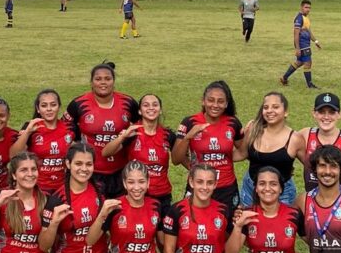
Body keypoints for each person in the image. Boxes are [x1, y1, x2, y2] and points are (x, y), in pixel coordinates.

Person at [64, 62, 140, 199]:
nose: (103, 83)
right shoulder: (78, 104)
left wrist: (124, 142)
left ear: (113, 81)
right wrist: (76, 148)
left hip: (121, 171)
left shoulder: (128, 103)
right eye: (98, 79)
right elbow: (65, 129)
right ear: (91, 82)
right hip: (91, 172)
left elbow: (140, 125)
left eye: (107, 79)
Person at [172, 80, 244, 222]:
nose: (215, 105)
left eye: (220, 101)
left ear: (226, 104)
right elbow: (175, 159)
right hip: (199, 185)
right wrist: (188, 137)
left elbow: (243, 150)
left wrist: (252, 133)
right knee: (194, 225)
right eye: (211, 100)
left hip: (226, 187)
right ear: (203, 101)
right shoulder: (190, 122)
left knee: (226, 228)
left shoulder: (232, 123)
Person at [102, 93, 176, 215]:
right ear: (140, 111)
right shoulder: (132, 133)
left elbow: (179, 158)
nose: (151, 108)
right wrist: (123, 137)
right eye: (146, 105)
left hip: (162, 195)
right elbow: (106, 152)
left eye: (155, 105)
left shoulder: (168, 135)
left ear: (160, 110)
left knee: (162, 233)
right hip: (137, 194)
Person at [237, 92, 305, 208]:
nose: (269, 110)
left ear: (286, 112)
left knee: (278, 226)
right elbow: (240, 154)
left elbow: (311, 167)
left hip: (282, 194)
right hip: (251, 189)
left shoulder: (294, 139)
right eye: (266, 107)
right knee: (249, 224)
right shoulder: (254, 130)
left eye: (275, 107)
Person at [299, 92, 341, 195]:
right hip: (313, 206)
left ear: (339, 114)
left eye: (331, 112)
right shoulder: (305, 135)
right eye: (322, 112)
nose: (326, 117)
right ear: (314, 113)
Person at [10, 89, 73, 194]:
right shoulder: (31, 127)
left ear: (59, 107)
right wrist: (27, 132)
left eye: (53, 105)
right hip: (37, 188)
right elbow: (13, 155)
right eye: (44, 106)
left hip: (62, 188)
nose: (49, 109)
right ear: (38, 109)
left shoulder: (69, 128)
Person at [280, 0, 321, 89]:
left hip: (306, 43)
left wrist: (316, 41)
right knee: (308, 63)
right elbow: (296, 34)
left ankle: (284, 78)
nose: (308, 9)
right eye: (306, 7)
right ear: (301, 7)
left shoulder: (306, 18)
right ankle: (309, 85)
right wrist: (297, 48)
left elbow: (308, 31)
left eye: (309, 8)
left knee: (299, 62)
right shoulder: (299, 18)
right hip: (302, 45)